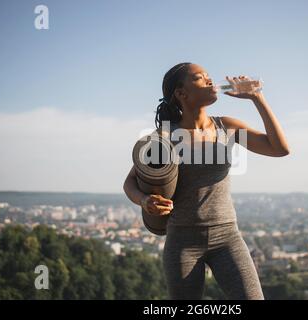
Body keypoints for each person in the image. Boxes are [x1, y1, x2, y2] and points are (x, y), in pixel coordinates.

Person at [123, 62, 290, 299]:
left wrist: (257, 98)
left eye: (209, 76)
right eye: (200, 78)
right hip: (182, 242)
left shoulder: (227, 127)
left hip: (228, 237)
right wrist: (144, 200)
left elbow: (280, 148)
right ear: (181, 94)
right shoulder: (164, 137)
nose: (210, 80)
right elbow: (129, 182)